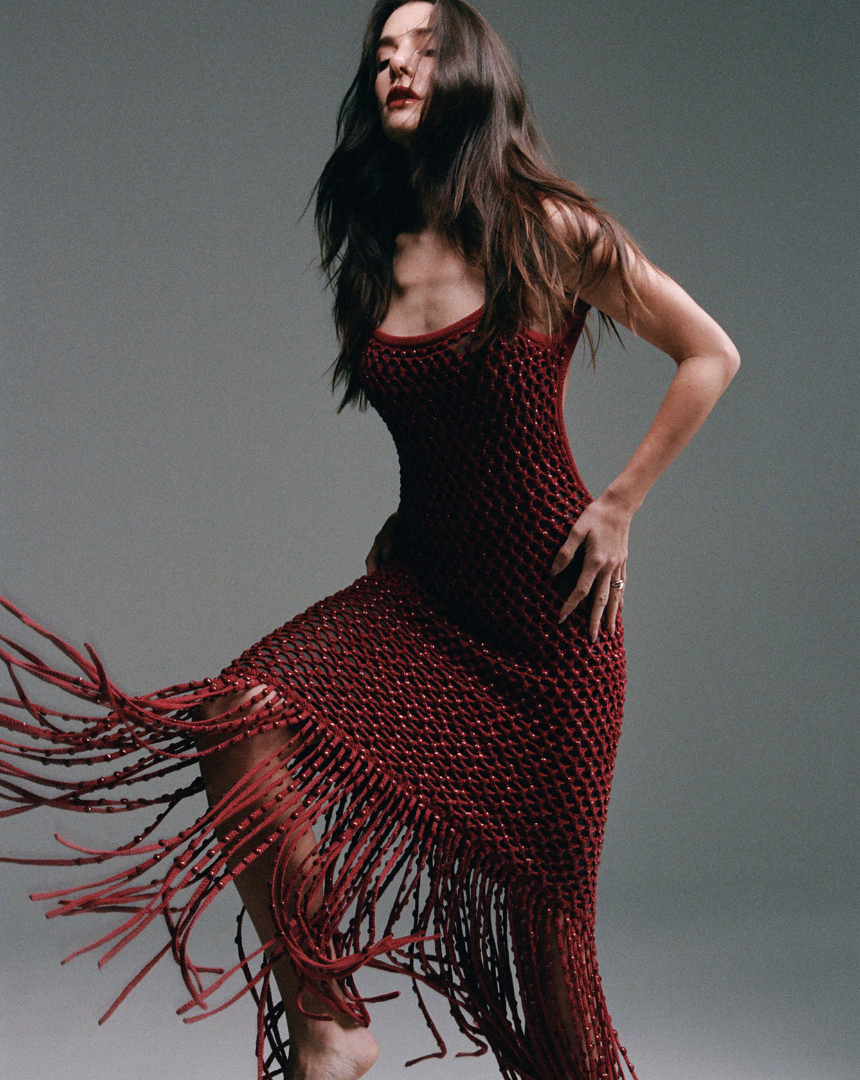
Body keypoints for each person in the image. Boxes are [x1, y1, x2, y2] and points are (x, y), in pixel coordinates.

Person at [0, 2, 740, 1079]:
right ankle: (331, 1022)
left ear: (472, 70)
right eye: (381, 56)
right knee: (237, 716)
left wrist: (618, 505)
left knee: (552, 994)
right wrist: (416, 517)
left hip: (551, 631)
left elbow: (708, 353)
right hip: (423, 595)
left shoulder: (547, 227)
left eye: (421, 51)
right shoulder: (375, 252)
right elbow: (445, 432)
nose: (396, 68)